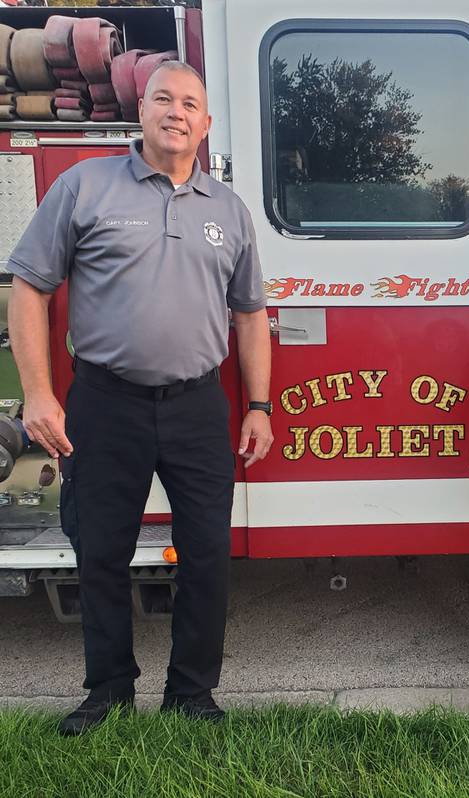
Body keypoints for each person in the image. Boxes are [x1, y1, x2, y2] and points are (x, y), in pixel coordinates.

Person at [6, 61, 273, 735]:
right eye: (164, 98)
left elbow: (249, 316)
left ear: (206, 125)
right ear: (143, 111)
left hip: (197, 407)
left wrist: (260, 406)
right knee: (99, 550)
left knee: (208, 553)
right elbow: (30, 289)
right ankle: (108, 691)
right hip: (104, 402)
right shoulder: (84, 187)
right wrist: (38, 393)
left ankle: (191, 693)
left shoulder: (230, 211)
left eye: (190, 103)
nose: (176, 111)